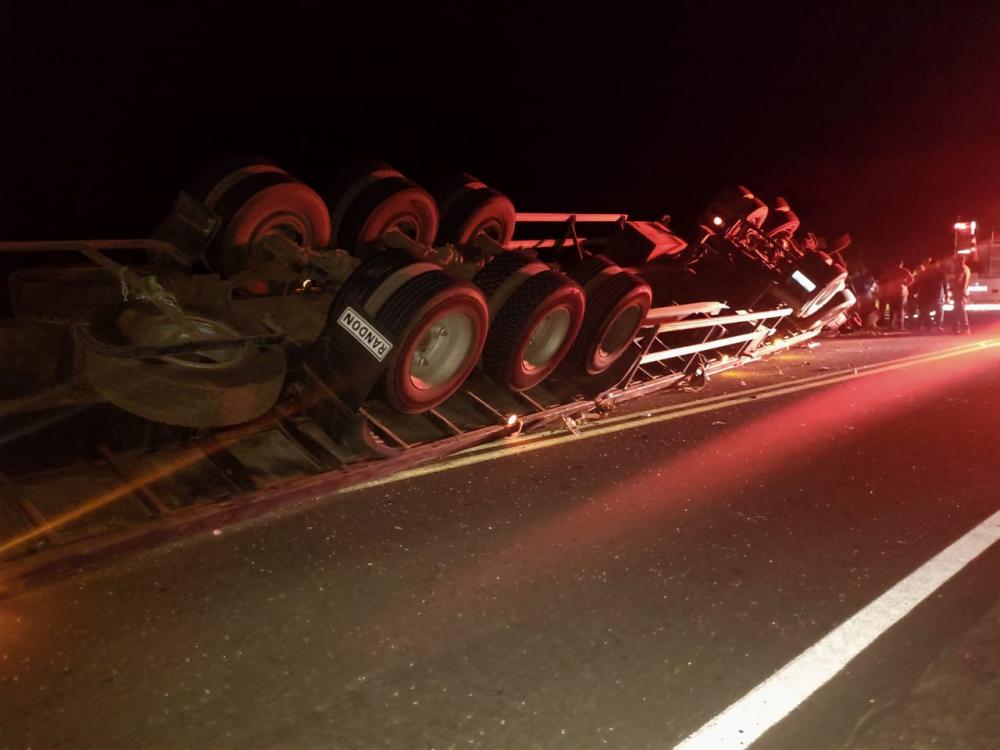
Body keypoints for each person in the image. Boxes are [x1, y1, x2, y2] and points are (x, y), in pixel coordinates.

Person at [877, 259, 914, 331]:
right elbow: (911, 279)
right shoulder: (904, 271)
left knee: (892, 310)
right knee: (900, 310)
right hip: (901, 293)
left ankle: (891, 326)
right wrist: (906, 284)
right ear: (901, 264)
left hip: (892, 293)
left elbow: (881, 280)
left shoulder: (889, 272)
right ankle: (900, 326)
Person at [915, 258, 946, 331]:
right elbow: (945, 284)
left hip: (926, 295)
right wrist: (946, 293)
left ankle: (928, 325)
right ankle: (938, 325)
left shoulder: (925, 272)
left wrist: (916, 293)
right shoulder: (940, 273)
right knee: (939, 310)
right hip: (937, 295)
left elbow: (918, 283)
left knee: (925, 311)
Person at [949, 254, 972, 334]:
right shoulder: (967, 268)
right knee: (959, 310)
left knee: (960, 310)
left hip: (959, 292)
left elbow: (958, 279)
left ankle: (965, 328)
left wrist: (951, 286)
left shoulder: (961, 268)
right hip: (963, 292)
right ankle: (959, 328)